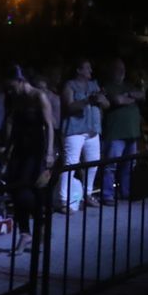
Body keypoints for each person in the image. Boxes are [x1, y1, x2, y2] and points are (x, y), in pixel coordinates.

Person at [0, 66, 56, 254]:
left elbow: (49, 126)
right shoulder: (16, 98)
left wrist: (49, 153)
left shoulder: (39, 96)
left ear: (20, 80)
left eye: (11, 86)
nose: (9, 91)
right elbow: (14, 126)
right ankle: (25, 233)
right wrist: (7, 151)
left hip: (36, 149)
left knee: (30, 191)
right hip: (20, 149)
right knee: (15, 189)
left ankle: (41, 223)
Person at [60, 58, 106, 210]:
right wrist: (88, 100)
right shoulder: (70, 85)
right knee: (70, 164)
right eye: (87, 68)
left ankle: (87, 194)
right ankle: (63, 200)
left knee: (93, 163)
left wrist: (100, 99)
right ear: (78, 70)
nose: (90, 71)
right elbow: (69, 107)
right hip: (75, 131)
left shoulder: (94, 85)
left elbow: (107, 104)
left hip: (93, 130)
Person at [97, 58, 143, 205]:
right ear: (111, 71)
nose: (122, 71)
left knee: (129, 165)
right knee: (111, 166)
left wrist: (127, 97)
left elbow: (141, 95)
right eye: (118, 68)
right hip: (115, 133)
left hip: (131, 133)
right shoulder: (107, 86)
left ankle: (125, 192)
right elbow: (117, 100)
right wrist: (130, 97)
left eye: (123, 68)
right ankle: (107, 195)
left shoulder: (128, 85)